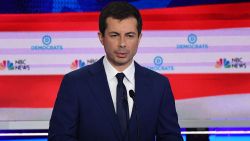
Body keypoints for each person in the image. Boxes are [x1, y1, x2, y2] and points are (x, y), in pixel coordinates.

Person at [48, 1, 183, 141]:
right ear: (101, 37)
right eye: (114, 35)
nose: (122, 43)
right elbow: (60, 137)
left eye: (130, 35)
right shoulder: (75, 83)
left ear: (139, 38)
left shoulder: (159, 85)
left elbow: (170, 137)